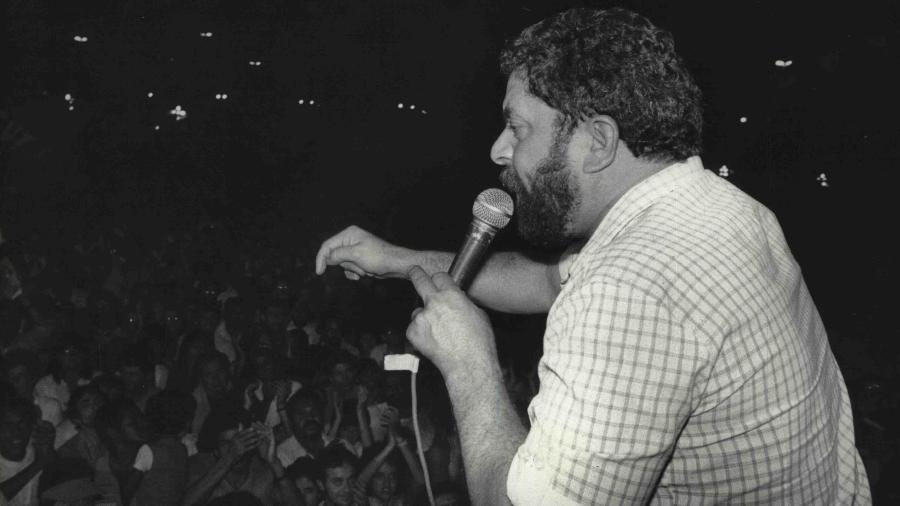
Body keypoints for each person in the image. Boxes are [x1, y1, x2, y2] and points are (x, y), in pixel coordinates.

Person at [315, 7, 870, 505]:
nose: (498, 149)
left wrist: (469, 363)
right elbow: (536, 283)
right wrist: (395, 258)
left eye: (517, 126)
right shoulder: (722, 207)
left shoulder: (628, 290)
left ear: (599, 142)